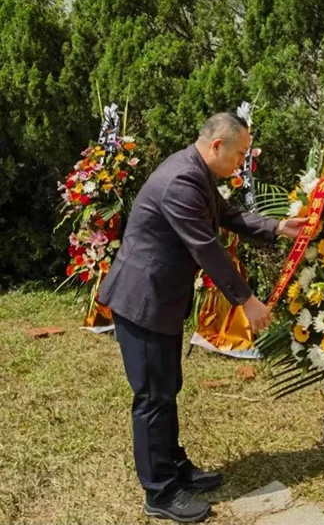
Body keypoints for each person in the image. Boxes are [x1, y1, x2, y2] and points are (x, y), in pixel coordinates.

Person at [99, 112, 305, 523]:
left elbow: (226, 215)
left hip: (161, 300)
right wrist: (246, 301)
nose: (242, 162)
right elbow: (206, 247)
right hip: (143, 301)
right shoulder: (181, 180)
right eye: (240, 153)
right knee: (152, 397)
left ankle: (174, 468)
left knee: (166, 387)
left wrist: (278, 226)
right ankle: (159, 492)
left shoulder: (197, 171)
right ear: (217, 146)